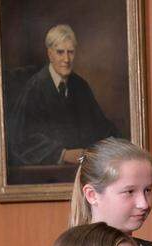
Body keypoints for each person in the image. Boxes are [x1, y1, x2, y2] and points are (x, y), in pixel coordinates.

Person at [8, 24, 119, 167]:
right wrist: (63, 154)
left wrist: (121, 144)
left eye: (70, 52)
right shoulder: (35, 88)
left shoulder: (80, 86)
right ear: (50, 54)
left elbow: (101, 127)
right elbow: (22, 139)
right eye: (60, 52)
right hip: (46, 174)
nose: (66, 59)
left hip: (81, 169)